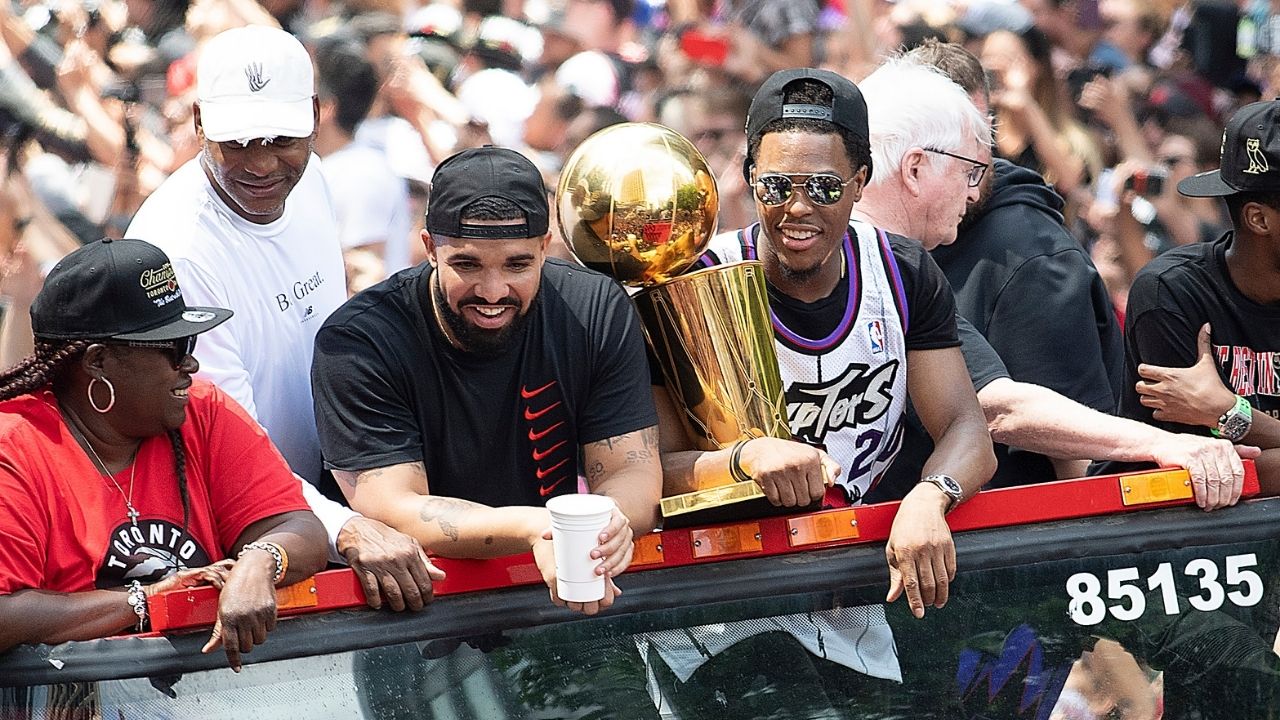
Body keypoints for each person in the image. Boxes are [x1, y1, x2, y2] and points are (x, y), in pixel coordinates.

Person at [661, 67, 997, 618]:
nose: (797, 208)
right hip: (718, 607)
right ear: (749, 177)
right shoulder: (694, 283)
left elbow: (967, 429)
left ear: (860, 181)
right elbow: (652, 469)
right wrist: (745, 460)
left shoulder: (902, 271)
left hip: (854, 593)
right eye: (775, 186)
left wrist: (931, 495)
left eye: (823, 187)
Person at [125, 25, 438, 612]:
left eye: (281, 139)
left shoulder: (313, 180)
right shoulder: (178, 248)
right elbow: (230, 446)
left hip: (325, 494)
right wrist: (346, 529)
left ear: (317, 118)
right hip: (245, 530)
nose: (263, 164)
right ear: (198, 124)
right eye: (238, 143)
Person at [865, 44, 1257, 508]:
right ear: (914, 168)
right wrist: (1167, 443)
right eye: (969, 171)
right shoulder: (871, 258)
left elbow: (997, 404)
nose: (974, 192)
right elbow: (1000, 409)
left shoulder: (910, 263)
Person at [311, 146, 662, 616]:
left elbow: (631, 468)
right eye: (468, 265)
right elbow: (393, 506)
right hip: (409, 610)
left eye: (517, 265)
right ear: (430, 248)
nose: (494, 292)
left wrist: (607, 524)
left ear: (545, 247)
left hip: (560, 583)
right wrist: (540, 529)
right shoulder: (359, 340)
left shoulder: (593, 309)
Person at [0, 238, 327, 671]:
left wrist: (261, 560)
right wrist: (148, 599)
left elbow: (298, 526)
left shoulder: (202, 411)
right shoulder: (15, 447)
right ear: (98, 362)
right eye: (172, 349)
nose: (189, 365)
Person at [1118, 99, 1280, 491]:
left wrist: (1228, 411)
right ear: (1258, 218)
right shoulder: (1171, 292)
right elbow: (1208, 476)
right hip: (1173, 542)